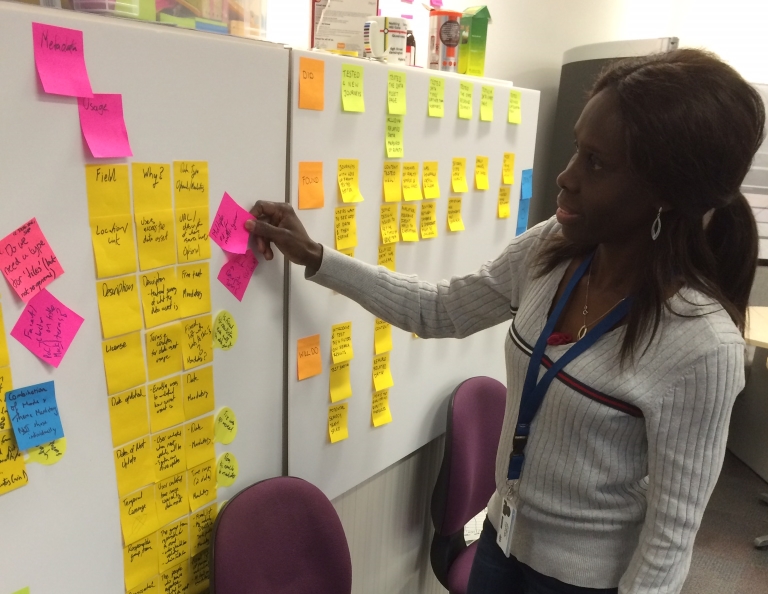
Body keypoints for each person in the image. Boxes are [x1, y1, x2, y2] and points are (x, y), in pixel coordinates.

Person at [244, 49, 765, 594]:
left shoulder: (701, 346)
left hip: (582, 583)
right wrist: (319, 257)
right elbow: (439, 309)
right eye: (576, 150)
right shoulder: (553, 249)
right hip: (500, 543)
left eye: (596, 164)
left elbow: (669, 542)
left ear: (665, 193)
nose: (565, 178)